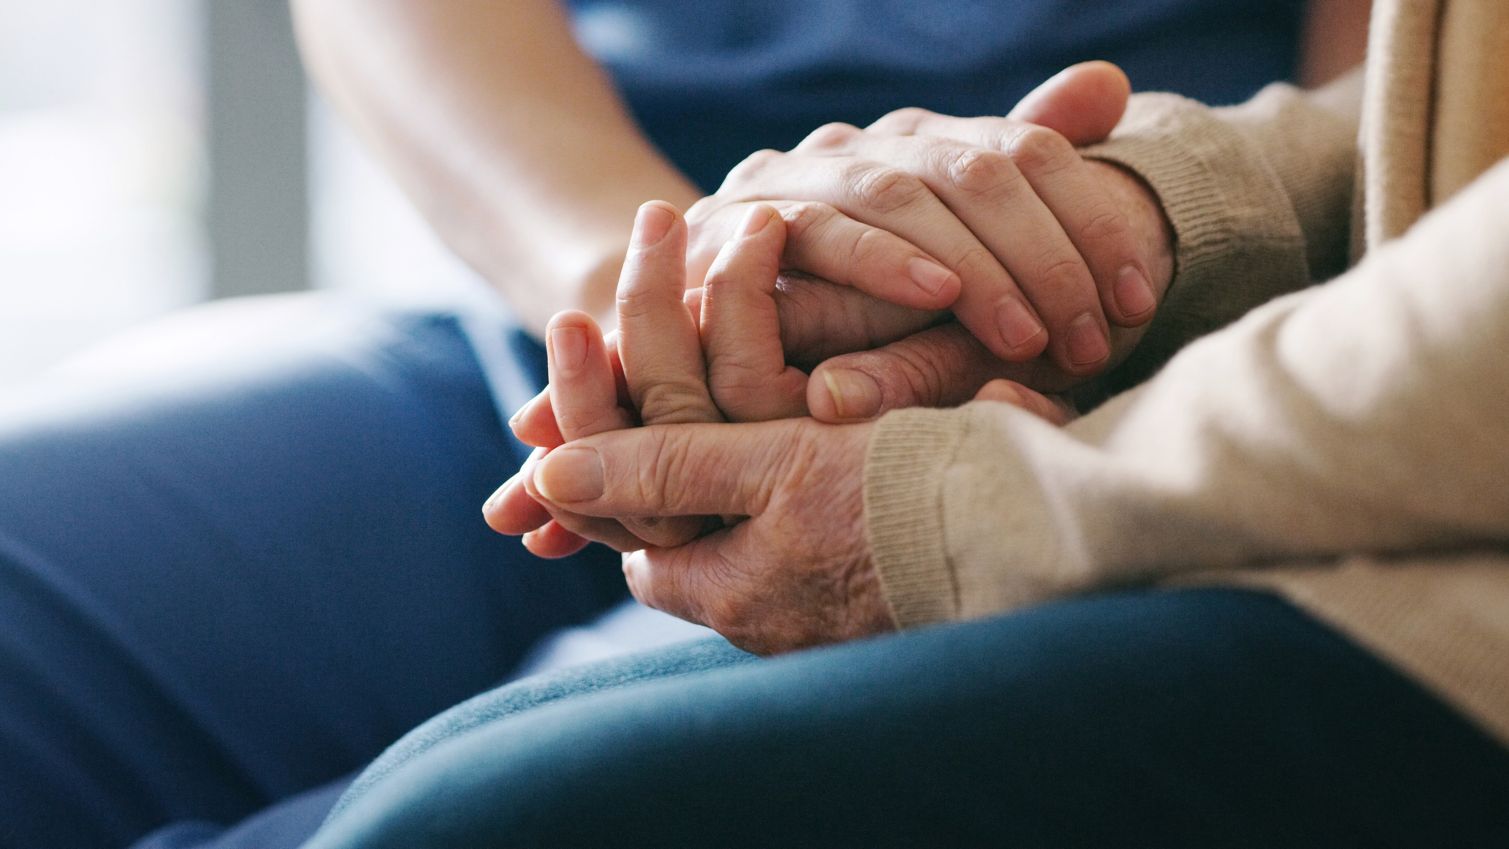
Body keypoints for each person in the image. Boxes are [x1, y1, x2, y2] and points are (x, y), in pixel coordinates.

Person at [0, 4, 1359, 849]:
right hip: (544, 313)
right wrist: (635, 299)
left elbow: (1401, 135)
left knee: (439, 817)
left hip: (1062, 377)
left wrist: (1097, 304)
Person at [299, 0, 1509, 846]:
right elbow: (1456, 128)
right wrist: (1151, 208)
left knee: (462, 816)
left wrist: (980, 501)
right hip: (663, 306)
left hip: (1398, 541)